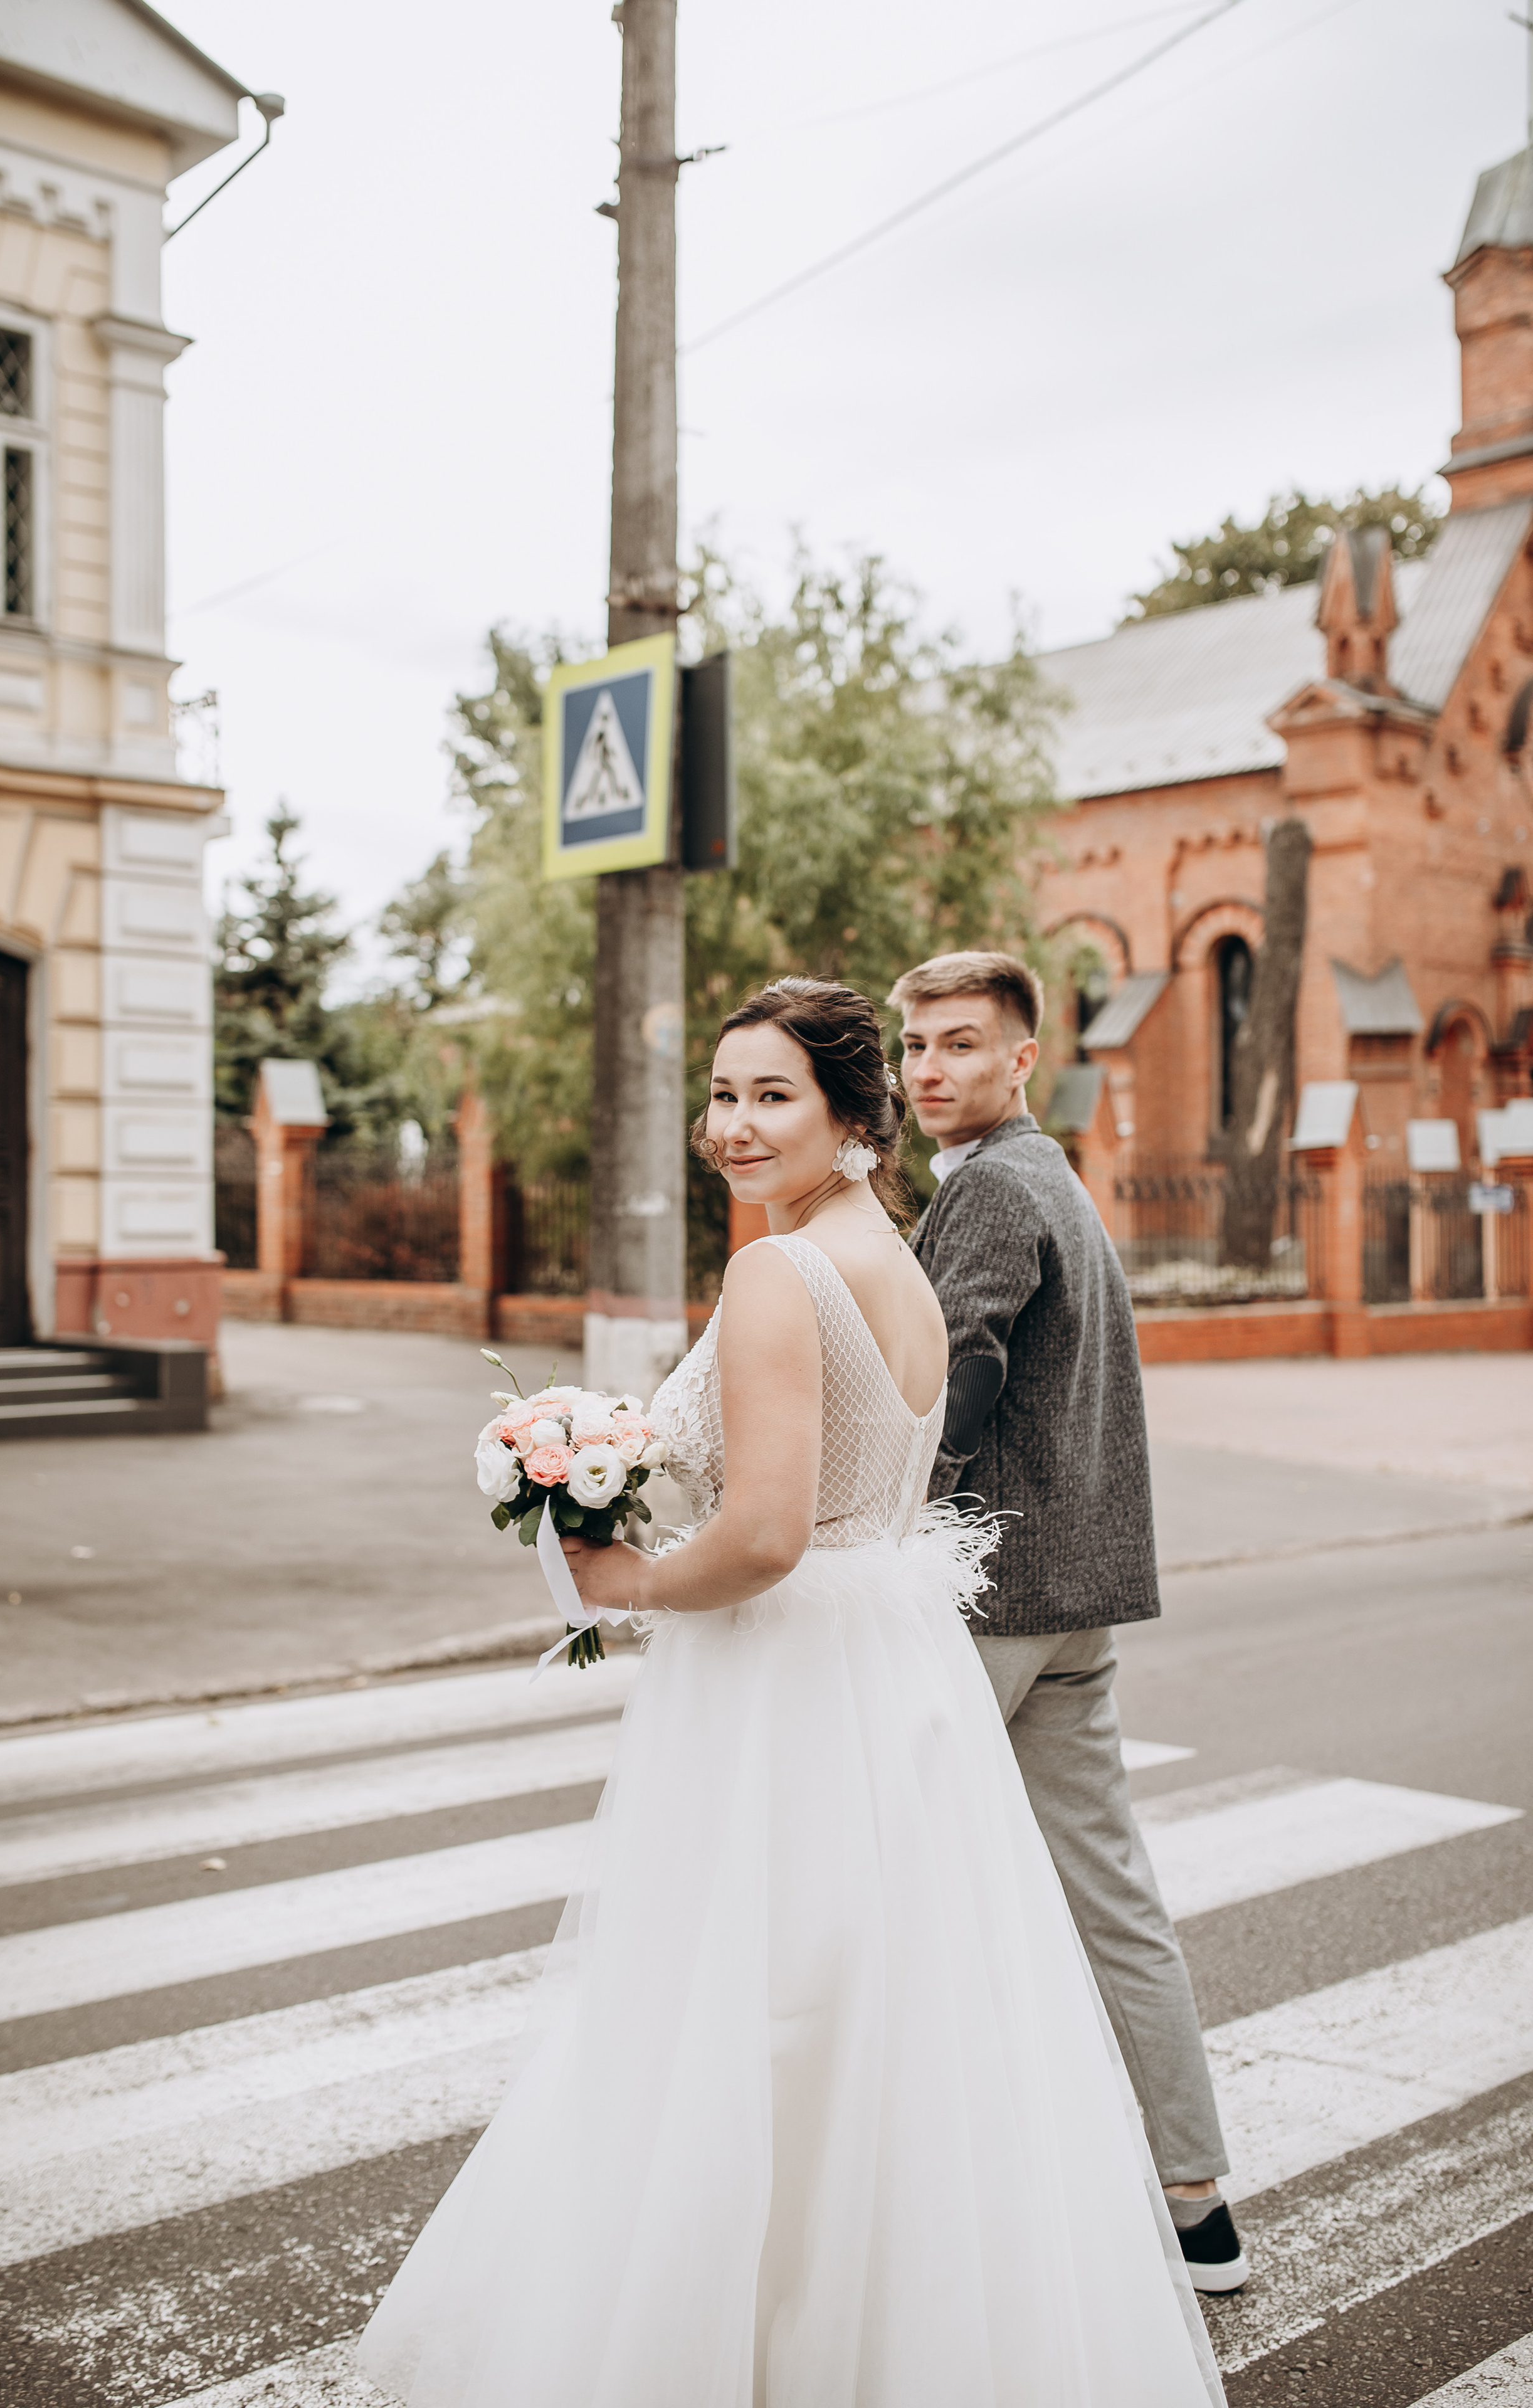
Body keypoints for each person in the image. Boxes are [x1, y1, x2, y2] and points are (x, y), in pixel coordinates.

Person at [359, 978, 1226, 2408]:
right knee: (882, 2028)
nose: (734, 1125)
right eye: (721, 1094)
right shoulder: (884, 1254)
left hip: (780, 1689)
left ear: (849, 1116)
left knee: (745, 2020)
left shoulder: (777, 1273)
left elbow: (764, 1537)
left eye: (773, 1097)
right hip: (889, 1672)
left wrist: (617, 1579)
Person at [891, 946, 1248, 2296]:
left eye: (961, 1045)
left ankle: (918, 2198)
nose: (931, 1070)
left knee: (871, 1872)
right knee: (1109, 1896)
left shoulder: (988, 1190)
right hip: (1078, 1600)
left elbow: (949, 1381)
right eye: (916, 1045)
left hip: (986, 1599)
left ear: (1020, 1057)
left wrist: (876, 1530)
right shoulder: (1053, 1180)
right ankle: (1195, 2200)